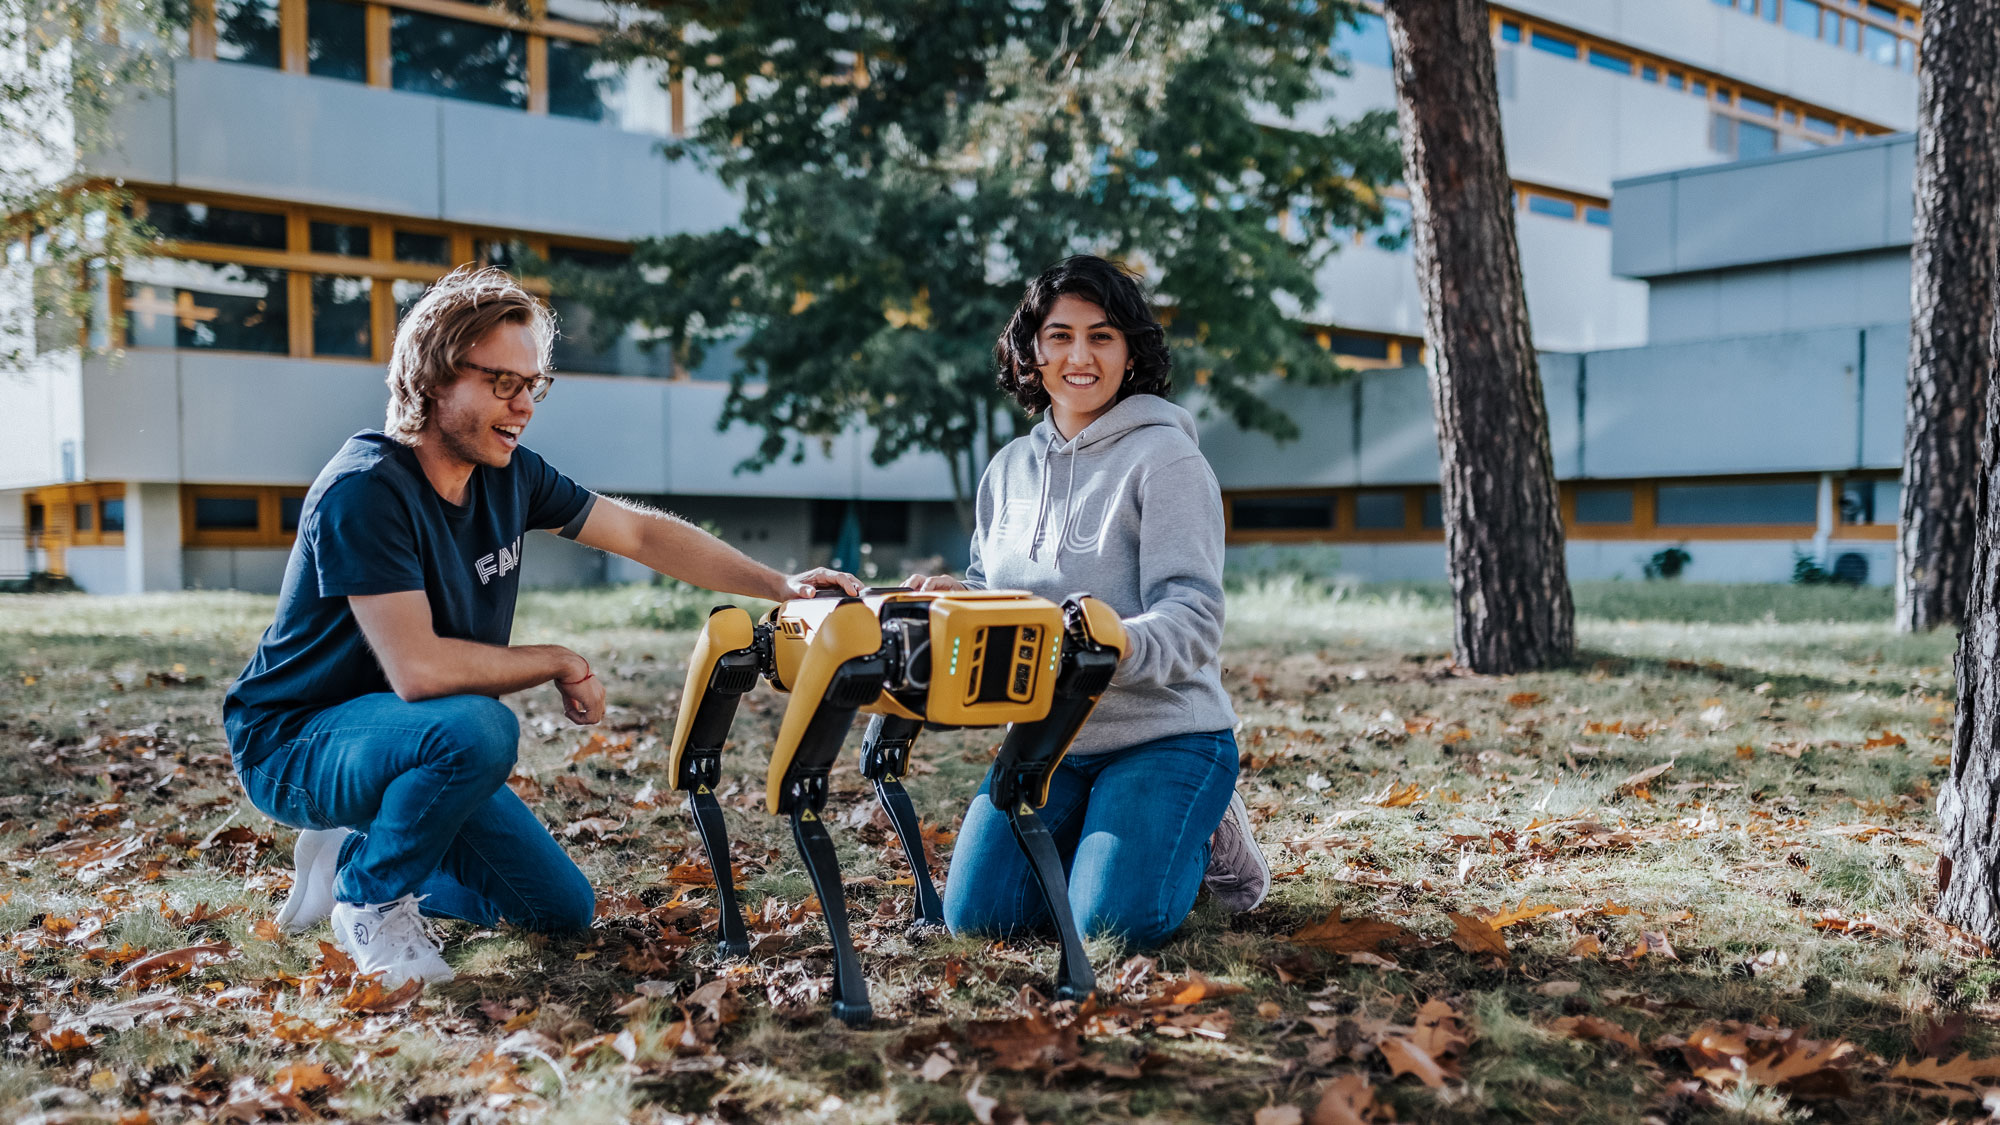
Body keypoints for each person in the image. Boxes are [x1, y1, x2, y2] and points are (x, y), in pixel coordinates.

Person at [223, 267, 860, 987]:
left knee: (556, 906)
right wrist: (558, 658)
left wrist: (778, 583)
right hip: (297, 740)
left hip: (407, 736)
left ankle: (353, 854)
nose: (524, 405)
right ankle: (369, 898)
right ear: (434, 376)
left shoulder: (509, 475)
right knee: (479, 730)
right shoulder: (365, 489)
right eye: (503, 382)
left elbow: (642, 535)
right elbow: (420, 670)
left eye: (535, 384)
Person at [908, 255, 1269, 949]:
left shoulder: (1167, 460)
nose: (1081, 355)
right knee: (980, 919)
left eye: (1102, 336)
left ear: (1130, 351)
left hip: (1164, 734)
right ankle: (1110, 846)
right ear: (1031, 351)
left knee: (1111, 925)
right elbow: (993, 594)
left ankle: (1201, 833)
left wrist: (1117, 640)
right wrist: (960, 599)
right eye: (1061, 335)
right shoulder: (1008, 469)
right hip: (1048, 734)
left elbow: (1194, 617)